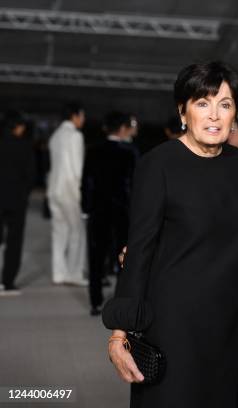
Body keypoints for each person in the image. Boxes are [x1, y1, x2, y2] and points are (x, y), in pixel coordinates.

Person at [102, 61, 238, 407]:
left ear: (235, 114)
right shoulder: (157, 165)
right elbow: (140, 248)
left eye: (225, 104)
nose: (215, 115)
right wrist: (119, 334)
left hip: (230, 325)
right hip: (174, 325)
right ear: (183, 111)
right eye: (203, 103)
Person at [82, 111, 139, 316]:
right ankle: (120, 302)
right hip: (123, 212)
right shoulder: (130, 152)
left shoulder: (93, 151)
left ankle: (95, 301)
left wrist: (86, 208)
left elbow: (87, 182)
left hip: (98, 210)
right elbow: (134, 186)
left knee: (96, 257)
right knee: (123, 259)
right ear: (123, 129)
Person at [47, 102, 88, 286]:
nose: (83, 119)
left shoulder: (55, 136)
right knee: (77, 232)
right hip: (69, 190)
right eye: (82, 116)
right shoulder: (75, 136)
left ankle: (58, 273)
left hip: (53, 190)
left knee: (59, 232)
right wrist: (81, 194)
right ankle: (74, 273)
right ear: (75, 116)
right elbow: (76, 168)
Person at [0, 111, 35, 295]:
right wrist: (23, 193)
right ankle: (7, 282)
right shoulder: (25, 146)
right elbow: (31, 176)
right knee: (14, 242)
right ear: (18, 127)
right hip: (16, 200)